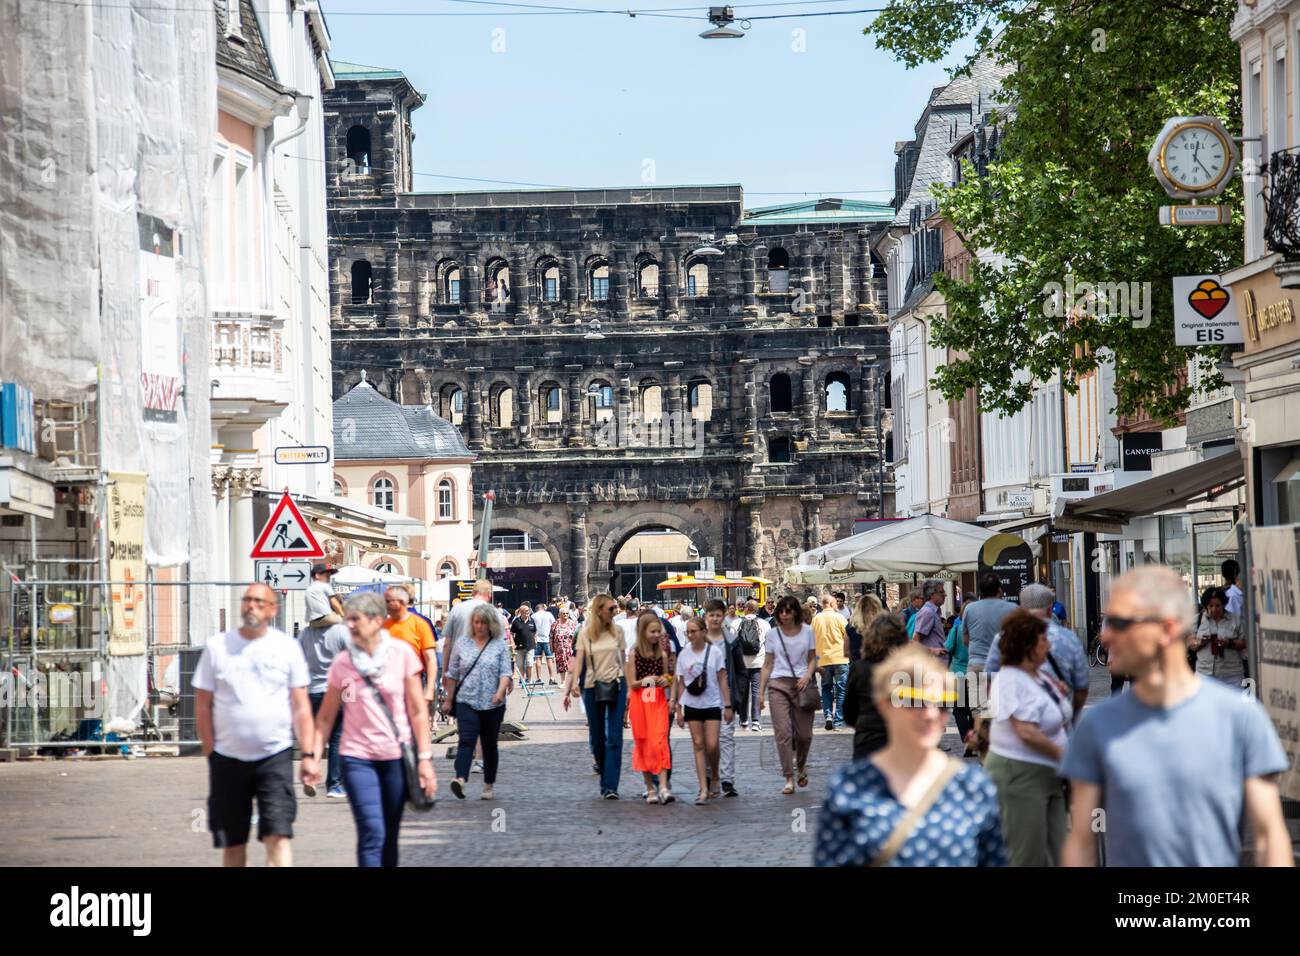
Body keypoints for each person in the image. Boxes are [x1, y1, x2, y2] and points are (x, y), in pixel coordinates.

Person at [1061, 565, 1293, 867]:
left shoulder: (1240, 718)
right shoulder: (1096, 727)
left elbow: (1268, 837)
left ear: (1167, 629)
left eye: (1118, 622)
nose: (1104, 636)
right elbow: (1082, 841)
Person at [815, 644, 1007, 867]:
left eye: (942, 704)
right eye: (915, 701)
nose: (930, 714)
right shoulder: (849, 788)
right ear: (884, 704)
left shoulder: (974, 787)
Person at [301, 591, 436, 867]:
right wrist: (313, 757)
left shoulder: (402, 654)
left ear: (376, 621)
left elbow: (417, 711)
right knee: (371, 831)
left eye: (354, 619)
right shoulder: (343, 662)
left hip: (396, 757)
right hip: (357, 758)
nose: (348, 625)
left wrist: (424, 759)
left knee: (389, 834)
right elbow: (326, 717)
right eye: (347, 619)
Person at [193, 584, 314, 867]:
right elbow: (202, 704)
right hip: (227, 759)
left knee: (278, 836)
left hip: (276, 756)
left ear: (273, 609)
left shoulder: (287, 647)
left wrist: (308, 755)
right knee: (233, 842)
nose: (251, 606)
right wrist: (210, 750)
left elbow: (301, 706)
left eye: (260, 601)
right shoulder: (218, 647)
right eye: (247, 600)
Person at [983, 610, 1072, 867]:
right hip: (1020, 775)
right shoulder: (1010, 678)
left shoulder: (1039, 675)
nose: (1049, 643)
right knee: (1027, 856)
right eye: (1043, 639)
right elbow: (1026, 731)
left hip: (1049, 776)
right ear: (1027, 644)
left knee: (1059, 852)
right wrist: (1066, 758)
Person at [985, 583, 1089, 723]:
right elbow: (1081, 687)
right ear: (1049, 609)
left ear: (1021, 608)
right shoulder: (1069, 638)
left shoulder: (1004, 637)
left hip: (1015, 720)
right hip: (1059, 722)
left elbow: (990, 677)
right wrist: (1073, 715)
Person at [442, 603, 513, 800]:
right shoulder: (462, 643)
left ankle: (488, 784)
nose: (479, 626)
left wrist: (500, 692)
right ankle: (461, 779)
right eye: (476, 622)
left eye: (483, 622)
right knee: (466, 741)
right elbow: (453, 673)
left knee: (489, 745)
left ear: (490, 624)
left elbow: (505, 672)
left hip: (493, 703)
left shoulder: (498, 645)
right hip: (467, 700)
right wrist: (449, 699)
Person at [564, 594, 628, 799]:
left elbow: (624, 660)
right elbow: (579, 660)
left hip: (617, 684)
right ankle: (604, 775)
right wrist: (573, 684)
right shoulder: (585, 633)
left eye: (616, 608)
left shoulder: (618, 631)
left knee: (615, 739)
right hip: (592, 686)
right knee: (599, 739)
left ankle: (610, 786)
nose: (615, 612)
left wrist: (630, 688)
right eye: (611, 609)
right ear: (599, 610)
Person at [758, 595, 819, 795]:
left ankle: (800, 766)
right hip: (778, 685)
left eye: (788, 610)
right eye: (781, 611)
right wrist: (760, 693)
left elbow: (812, 659)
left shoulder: (808, 632)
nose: (784, 614)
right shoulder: (773, 635)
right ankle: (789, 777)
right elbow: (767, 664)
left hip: (802, 685)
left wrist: (807, 675)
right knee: (783, 734)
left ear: (795, 612)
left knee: (804, 735)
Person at [672, 616, 734, 804]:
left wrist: (727, 704)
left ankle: (714, 774)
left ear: (702, 632)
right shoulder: (684, 654)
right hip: (692, 704)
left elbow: (722, 678)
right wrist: (678, 708)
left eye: (693, 631)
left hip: (712, 703)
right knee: (698, 744)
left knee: (712, 744)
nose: (690, 635)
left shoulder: (714, 652)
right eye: (687, 632)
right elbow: (681, 682)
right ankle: (703, 788)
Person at [299, 578, 350, 799]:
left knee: (316, 735)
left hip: (312, 691)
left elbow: (297, 662)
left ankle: (310, 775)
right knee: (338, 738)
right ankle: (334, 785)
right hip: (337, 691)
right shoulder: (341, 632)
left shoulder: (304, 634)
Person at [842, 615, 909, 761]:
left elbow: (848, 711)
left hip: (868, 738)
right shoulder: (908, 669)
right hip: (902, 739)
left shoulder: (860, 668)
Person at [627, 611, 674, 804]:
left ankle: (663, 786)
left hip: (657, 701)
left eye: (658, 632)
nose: (656, 635)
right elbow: (632, 683)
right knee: (644, 742)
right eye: (653, 632)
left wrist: (665, 680)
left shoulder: (662, 654)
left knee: (660, 741)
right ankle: (649, 787)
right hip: (640, 702)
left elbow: (668, 678)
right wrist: (648, 680)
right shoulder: (634, 653)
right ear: (643, 631)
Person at [703, 598, 745, 796]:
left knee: (726, 737)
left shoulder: (731, 641)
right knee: (707, 742)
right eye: (711, 615)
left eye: (718, 615)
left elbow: (740, 670)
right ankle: (710, 776)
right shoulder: (698, 640)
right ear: (705, 617)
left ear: (723, 617)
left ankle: (727, 780)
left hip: (726, 696)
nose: (714, 619)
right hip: (703, 697)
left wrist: (738, 696)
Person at [383, 586, 438, 708]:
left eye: (388, 602)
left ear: (402, 602)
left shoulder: (420, 625)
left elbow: (431, 659)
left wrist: (429, 690)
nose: (385, 605)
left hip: (414, 682)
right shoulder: (384, 626)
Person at [1192, 587, 1246, 688]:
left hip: (1231, 676)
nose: (1214, 609)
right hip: (1205, 675)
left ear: (1224, 605)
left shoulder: (1235, 620)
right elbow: (1191, 644)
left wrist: (1229, 643)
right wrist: (1200, 642)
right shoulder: (1197, 620)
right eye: (1210, 606)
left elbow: (1244, 643)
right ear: (1205, 606)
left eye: (1217, 606)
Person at [961, 573, 1015, 675]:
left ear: (980, 592)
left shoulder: (969, 609)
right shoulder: (1012, 608)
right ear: (999, 590)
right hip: (1002, 666)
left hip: (976, 665)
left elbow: (965, 639)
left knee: (976, 691)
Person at [812, 594, 851, 731]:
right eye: (835, 603)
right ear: (831, 604)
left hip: (823, 659)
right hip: (840, 658)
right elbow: (848, 636)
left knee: (826, 688)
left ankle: (828, 715)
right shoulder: (839, 618)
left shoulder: (816, 619)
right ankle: (838, 720)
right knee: (841, 690)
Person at [737, 600, 769, 731]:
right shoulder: (764, 624)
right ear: (757, 610)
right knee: (756, 691)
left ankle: (743, 719)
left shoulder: (736, 623)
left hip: (742, 663)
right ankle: (756, 721)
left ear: (745, 609)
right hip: (758, 661)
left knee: (743, 692)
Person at [910, 580, 950, 665]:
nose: (945, 595)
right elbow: (914, 642)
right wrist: (933, 651)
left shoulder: (933, 611)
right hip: (932, 665)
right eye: (941, 592)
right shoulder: (927, 612)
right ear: (932, 595)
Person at [846, 593, 884, 665]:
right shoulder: (884, 625)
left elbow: (846, 652)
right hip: (880, 668)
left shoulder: (851, 626)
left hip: (859, 668)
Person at [509, 604, 537, 685]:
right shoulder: (516, 621)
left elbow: (535, 631)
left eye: (528, 610)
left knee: (529, 663)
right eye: (526, 611)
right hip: (519, 646)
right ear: (521, 612)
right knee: (520, 665)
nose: (528, 612)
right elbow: (511, 633)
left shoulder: (532, 620)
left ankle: (530, 679)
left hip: (530, 646)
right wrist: (512, 643)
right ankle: (522, 680)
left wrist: (535, 639)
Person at [531, 600, 557, 685]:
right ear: (543, 608)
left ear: (537, 609)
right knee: (549, 658)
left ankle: (539, 678)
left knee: (537, 658)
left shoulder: (534, 616)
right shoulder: (548, 614)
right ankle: (552, 678)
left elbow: (532, 628)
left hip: (537, 639)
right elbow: (554, 625)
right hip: (547, 639)